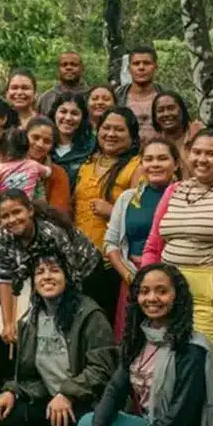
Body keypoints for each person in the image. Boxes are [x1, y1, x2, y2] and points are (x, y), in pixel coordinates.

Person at [77, 264, 213, 426]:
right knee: (88, 423)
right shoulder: (139, 337)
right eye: (144, 291)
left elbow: (178, 417)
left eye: (162, 291)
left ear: (177, 296)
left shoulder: (192, 348)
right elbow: (115, 389)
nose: (152, 298)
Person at [142, 129, 213, 407]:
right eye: (196, 152)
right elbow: (153, 244)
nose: (202, 159)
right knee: (168, 367)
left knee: (206, 370)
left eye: (211, 153)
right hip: (169, 294)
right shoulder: (175, 190)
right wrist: (148, 284)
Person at [0, 251, 115, 426]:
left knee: (72, 415)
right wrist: (11, 391)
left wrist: (67, 393)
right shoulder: (31, 318)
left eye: (55, 270)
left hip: (91, 401)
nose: (47, 277)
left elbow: (102, 369)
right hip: (53, 398)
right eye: (40, 272)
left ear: (69, 277)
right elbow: (29, 372)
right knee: (10, 412)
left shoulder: (89, 314)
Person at [0, 189, 99, 342]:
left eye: (17, 212)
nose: (12, 219)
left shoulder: (51, 233)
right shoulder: (3, 236)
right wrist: (8, 323)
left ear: (30, 210)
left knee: (79, 331)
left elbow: (70, 279)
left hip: (86, 274)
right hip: (44, 275)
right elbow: (4, 278)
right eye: (5, 216)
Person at [104, 139, 179, 339]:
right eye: (149, 159)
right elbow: (111, 243)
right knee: (132, 339)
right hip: (133, 278)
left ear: (176, 164)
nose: (155, 164)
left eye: (162, 158)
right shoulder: (128, 198)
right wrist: (132, 278)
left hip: (173, 280)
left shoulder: (185, 197)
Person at [74, 107, 142, 322]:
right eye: (106, 128)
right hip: (78, 257)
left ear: (132, 136)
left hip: (112, 262)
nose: (111, 134)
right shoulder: (88, 162)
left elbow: (143, 217)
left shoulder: (137, 166)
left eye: (119, 130)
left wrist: (113, 212)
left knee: (106, 322)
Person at [0, 127, 51, 212]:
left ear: (3, 153)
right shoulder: (33, 165)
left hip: (4, 209)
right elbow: (48, 172)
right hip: (26, 209)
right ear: (26, 150)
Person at [24, 116, 72, 216]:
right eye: (35, 137)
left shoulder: (58, 173)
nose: (40, 144)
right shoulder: (8, 165)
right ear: (24, 136)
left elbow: (59, 213)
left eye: (47, 141)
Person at [115, 46, 163, 142]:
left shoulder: (167, 97)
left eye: (147, 63)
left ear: (156, 67)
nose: (141, 67)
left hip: (160, 149)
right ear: (129, 68)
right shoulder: (116, 96)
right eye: (136, 63)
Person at [51, 92, 95, 191]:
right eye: (63, 112)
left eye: (74, 113)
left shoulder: (92, 146)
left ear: (82, 117)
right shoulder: (42, 144)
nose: (68, 118)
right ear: (54, 113)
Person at [152, 91, 203, 159]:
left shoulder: (200, 133)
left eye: (171, 108)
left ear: (182, 110)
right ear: (155, 116)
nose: (166, 114)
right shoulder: (154, 142)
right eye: (160, 110)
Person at [37, 51, 89, 116]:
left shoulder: (91, 96)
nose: (69, 68)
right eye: (64, 65)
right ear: (58, 70)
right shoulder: (46, 98)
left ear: (82, 69)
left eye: (74, 64)